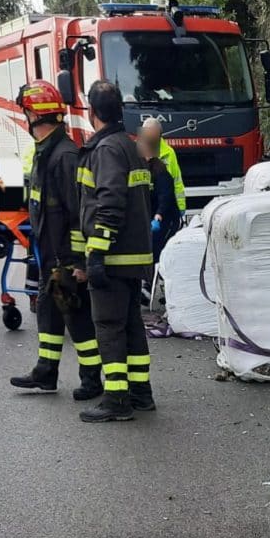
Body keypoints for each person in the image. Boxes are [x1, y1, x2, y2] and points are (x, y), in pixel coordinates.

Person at [9, 81, 103, 401]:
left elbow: (78, 213)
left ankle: (91, 379)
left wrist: (77, 261)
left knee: (75, 316)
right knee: (48, 310)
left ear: (34, 113)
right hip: (48, 252)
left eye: (26, 110)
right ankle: (46, 371)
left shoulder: (63, 156)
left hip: (64, 254)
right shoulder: (44, 152)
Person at [78, 80, 155, 422]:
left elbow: (108, 203)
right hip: (135, 255)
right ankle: (141, 393)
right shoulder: (129, 146)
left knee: (108, 326)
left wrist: (96, 252)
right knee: (133, 326)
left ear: (92, 112)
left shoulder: (106, 150)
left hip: (113, 255)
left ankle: (116, 399)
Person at [138, 135, 182, 262]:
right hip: (151, 220)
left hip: (165, 220)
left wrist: (159, 214)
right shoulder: (142, 170)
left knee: (159, 251)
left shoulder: (160, 171)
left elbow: (165, 195)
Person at [140, 118, 186, 213]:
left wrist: (181, 206)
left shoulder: (169, 152)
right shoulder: (135, 151)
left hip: (164, 206)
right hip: (143, 206)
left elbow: (177, 180)